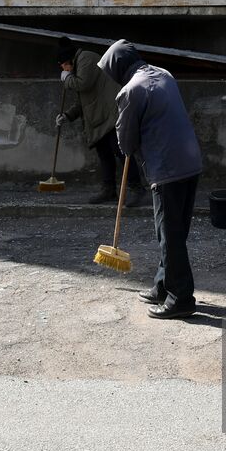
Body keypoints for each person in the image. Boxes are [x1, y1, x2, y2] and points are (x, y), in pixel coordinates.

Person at [98, 39, 203, 320]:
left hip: (167, 168)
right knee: (175, 231)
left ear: (118, 68)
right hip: (190, 162)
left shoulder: (131, 90)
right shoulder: (163, 74)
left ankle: (181, 298)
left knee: (169, 236)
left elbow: (125, 140)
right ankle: (162, 285)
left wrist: (128, 144)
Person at [54, 37, 144, 207]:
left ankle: (136, 188)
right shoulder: (78, 66)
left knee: (120, 151)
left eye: (63, 65)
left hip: (110, 113)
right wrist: (67, 116)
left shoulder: (86, 58)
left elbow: (84, 84)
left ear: (68, 60)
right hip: (99, 117)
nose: (63, 68)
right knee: (104, 154)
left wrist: (66, 79)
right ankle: (108, 190)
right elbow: (83, 101)